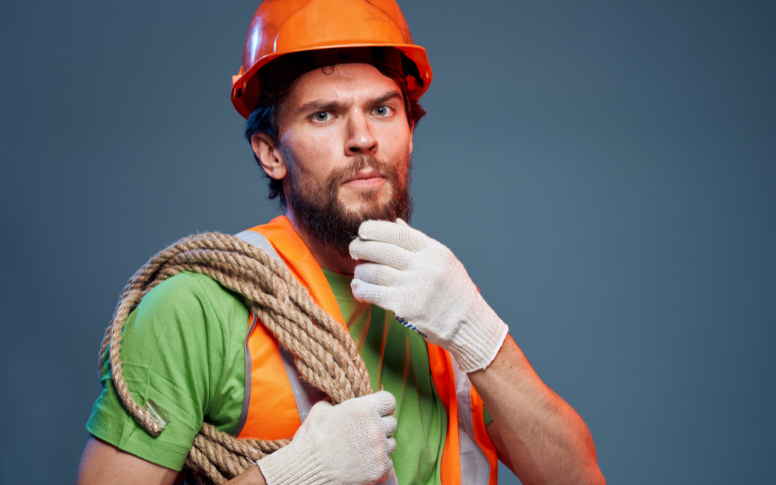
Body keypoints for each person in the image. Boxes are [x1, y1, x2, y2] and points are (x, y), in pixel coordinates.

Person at [77, 1, 606, 484]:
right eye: (324, 115)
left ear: (409, 130)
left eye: (382, 109)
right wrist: (294, 475)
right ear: (270, 153)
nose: (363, 138)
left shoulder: (440, 301)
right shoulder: (195, 312)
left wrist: (479, 334)